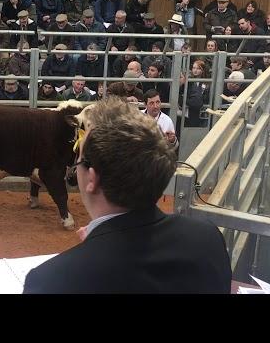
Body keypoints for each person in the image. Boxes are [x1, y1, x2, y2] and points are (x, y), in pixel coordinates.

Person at [23, 97, 232, 293]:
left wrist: (99, 244)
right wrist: (103, 238)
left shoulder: (49, 280)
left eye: (79, 160)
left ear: (92, 179)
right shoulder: (208, 238)